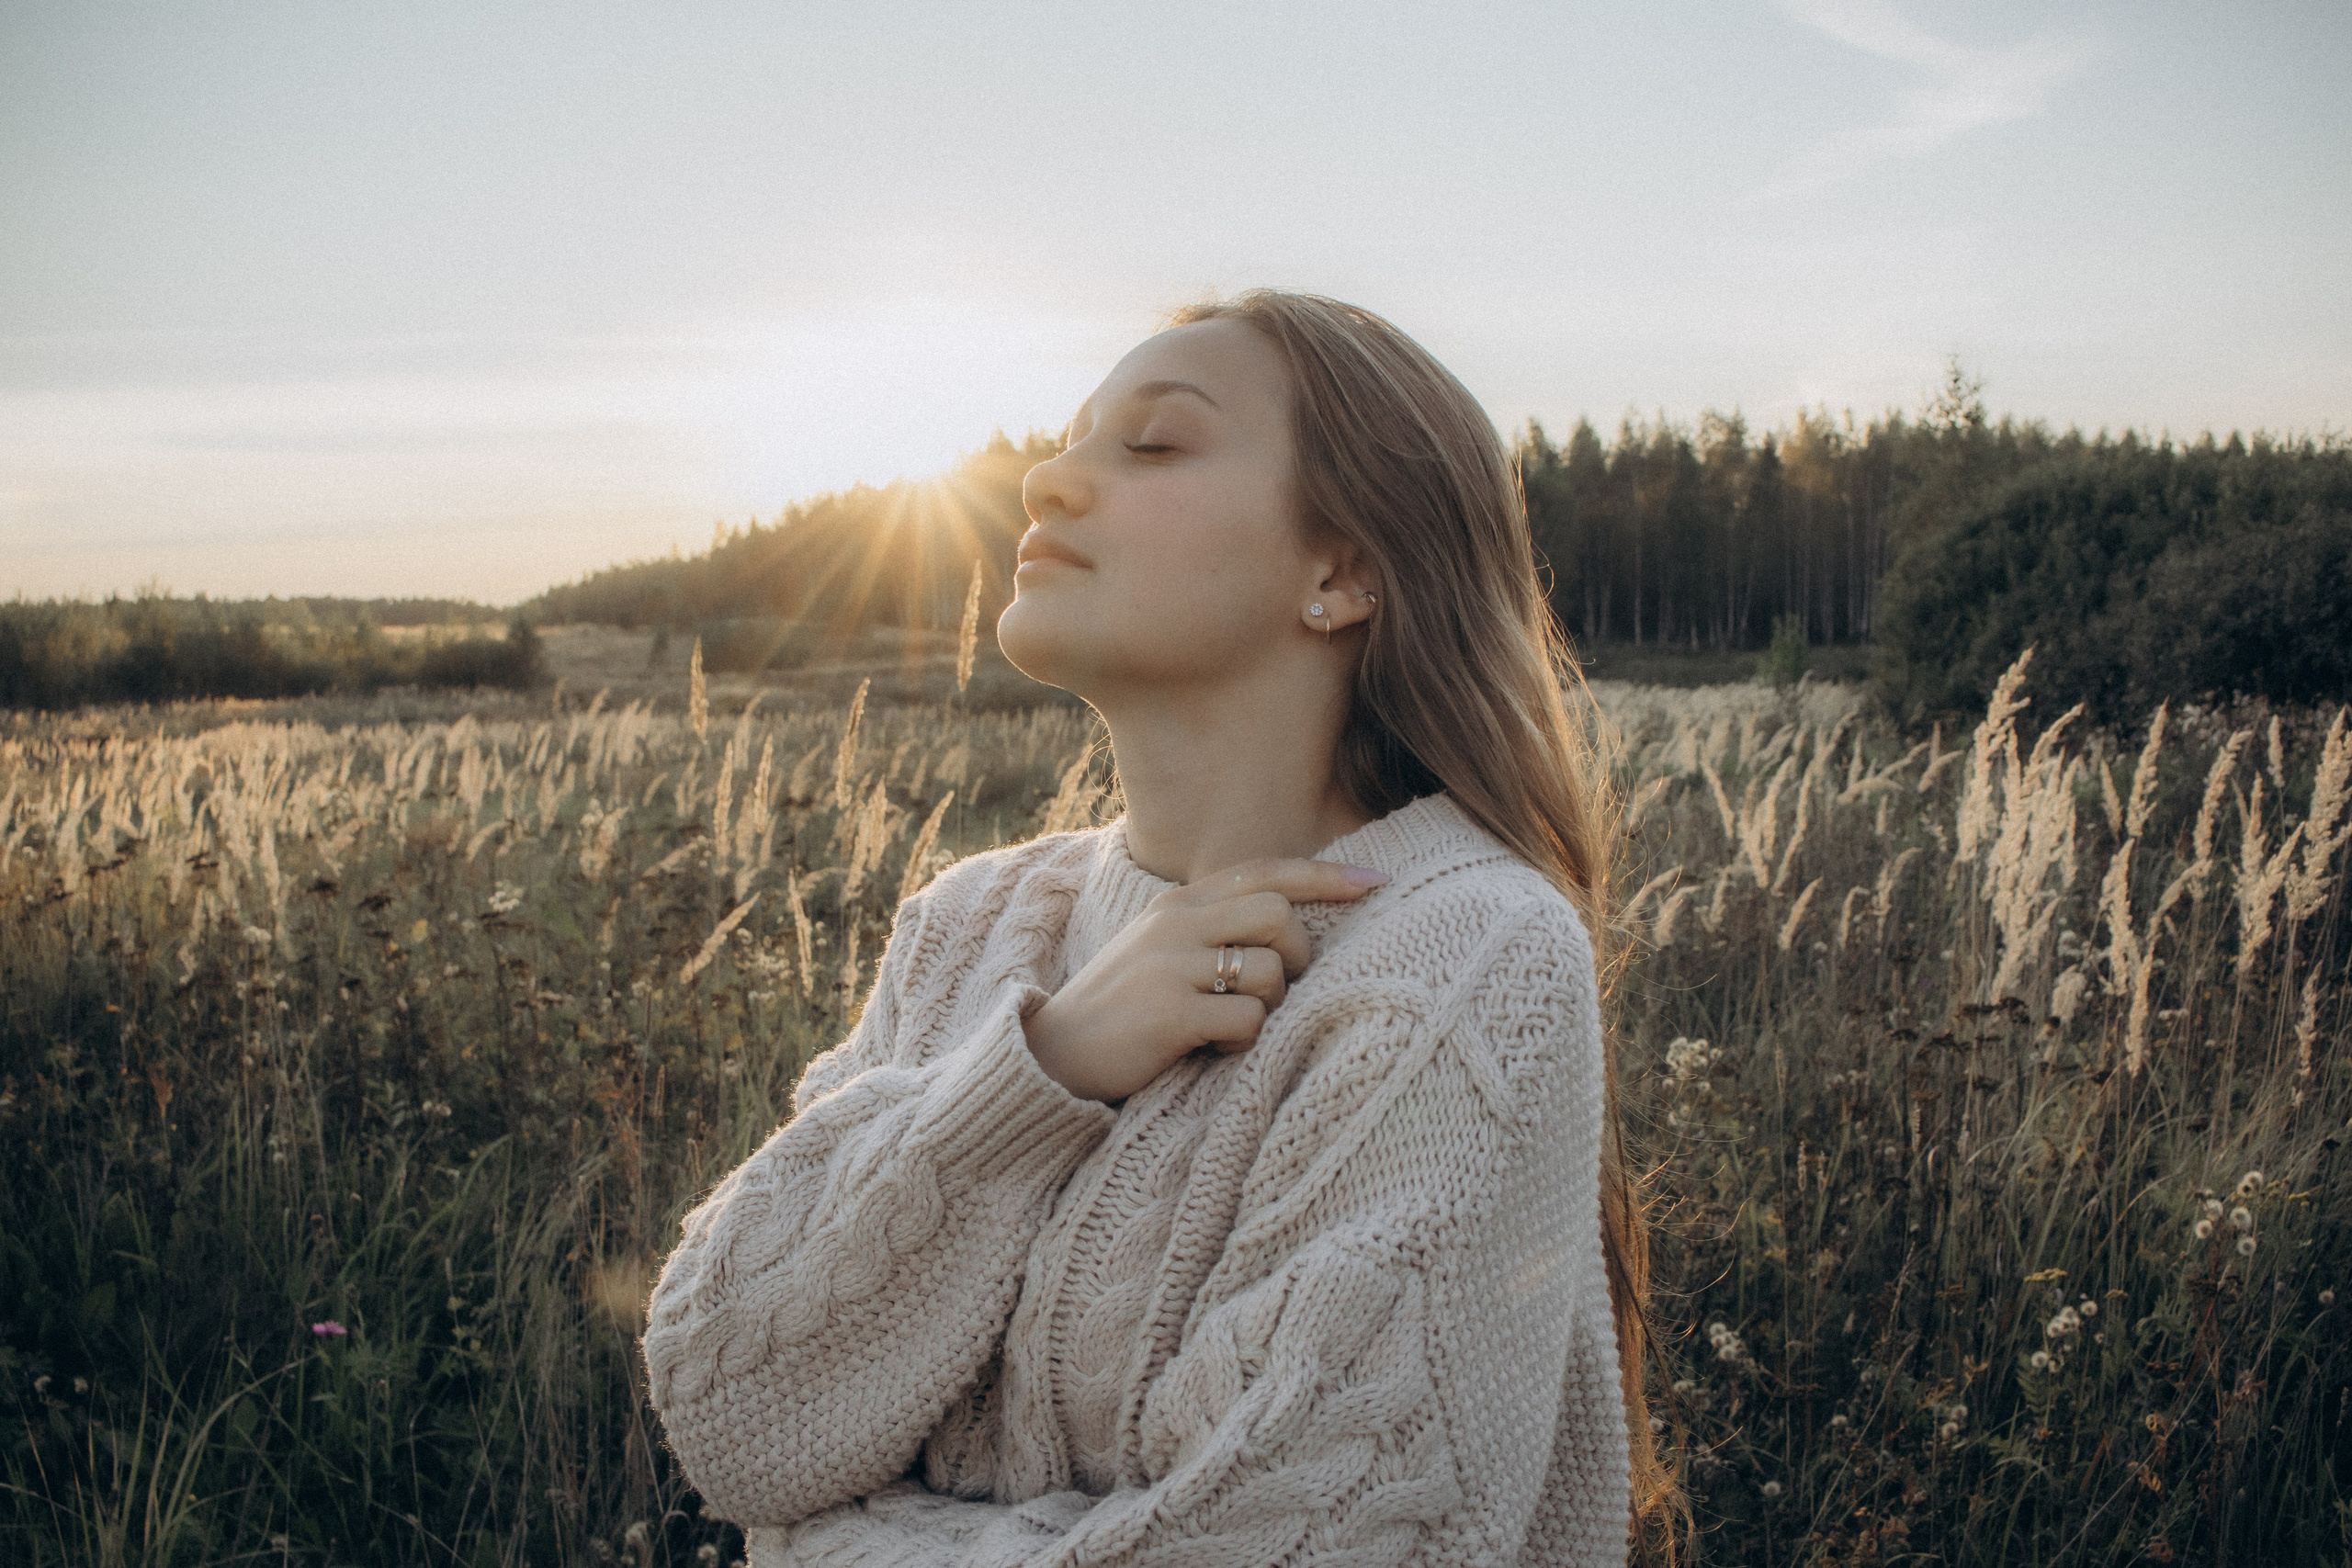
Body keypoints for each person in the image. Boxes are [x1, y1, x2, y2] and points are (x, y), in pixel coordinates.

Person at [642, 290, 1681, 1566]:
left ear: (1342, 571)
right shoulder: (969, 929)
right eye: (1070, 440)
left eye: (1152, 445)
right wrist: (1045, 1068)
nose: (1045, 480)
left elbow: (1297, 1540)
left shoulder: (1461, 958)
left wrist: (825, 1542)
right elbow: (733, 1421)